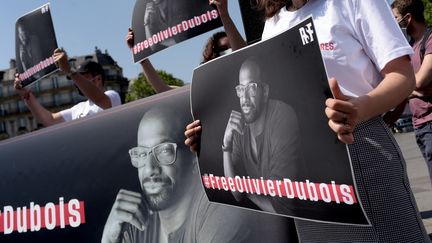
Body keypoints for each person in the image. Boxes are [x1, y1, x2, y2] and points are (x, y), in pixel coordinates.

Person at [185, 0, 430, 242]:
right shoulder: (274, 24)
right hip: (308, 178)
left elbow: (403, 76)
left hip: (362, 150)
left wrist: (357, 110)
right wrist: (211, 140)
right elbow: (264, 112)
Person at [101, 105, 296, 243]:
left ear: (194, 160)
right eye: (142, 154)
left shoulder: (219, 211)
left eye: (164, 151)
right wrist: (108, 239)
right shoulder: (134, 225)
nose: (150, 168)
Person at [221, 57, 301, 213]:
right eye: (240, 89)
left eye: (251, 88)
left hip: (304, 220)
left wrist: (246, 190)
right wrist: (226, 145)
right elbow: (236, 193)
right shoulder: (239, 127)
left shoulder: (282, 115)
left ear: (264, 91)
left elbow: (283, 207)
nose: (244, 98)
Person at [127, 0, 246, 93]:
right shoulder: (205, 89)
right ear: (212, 56)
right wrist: (141, 57)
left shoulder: (250, 80)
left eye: (232, 46)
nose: (230, 51)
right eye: (223, 49)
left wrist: (224, 14)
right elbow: (163, 89)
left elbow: (242, 55)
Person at [14, 48, 121, 127]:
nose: (77, 83)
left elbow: (100, 100)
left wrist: (70, 71)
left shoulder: (112, 96)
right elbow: (48, 119)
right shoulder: (77, 109)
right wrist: (26, 95)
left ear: (98, 79)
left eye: (84, 77)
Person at [392, 0, 432, 185]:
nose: (393, 24)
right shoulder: (408, 47)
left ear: (408, 18)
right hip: (420, 125)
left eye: (395, 19)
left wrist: (401, 87)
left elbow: (421, 79)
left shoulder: (429, 39)